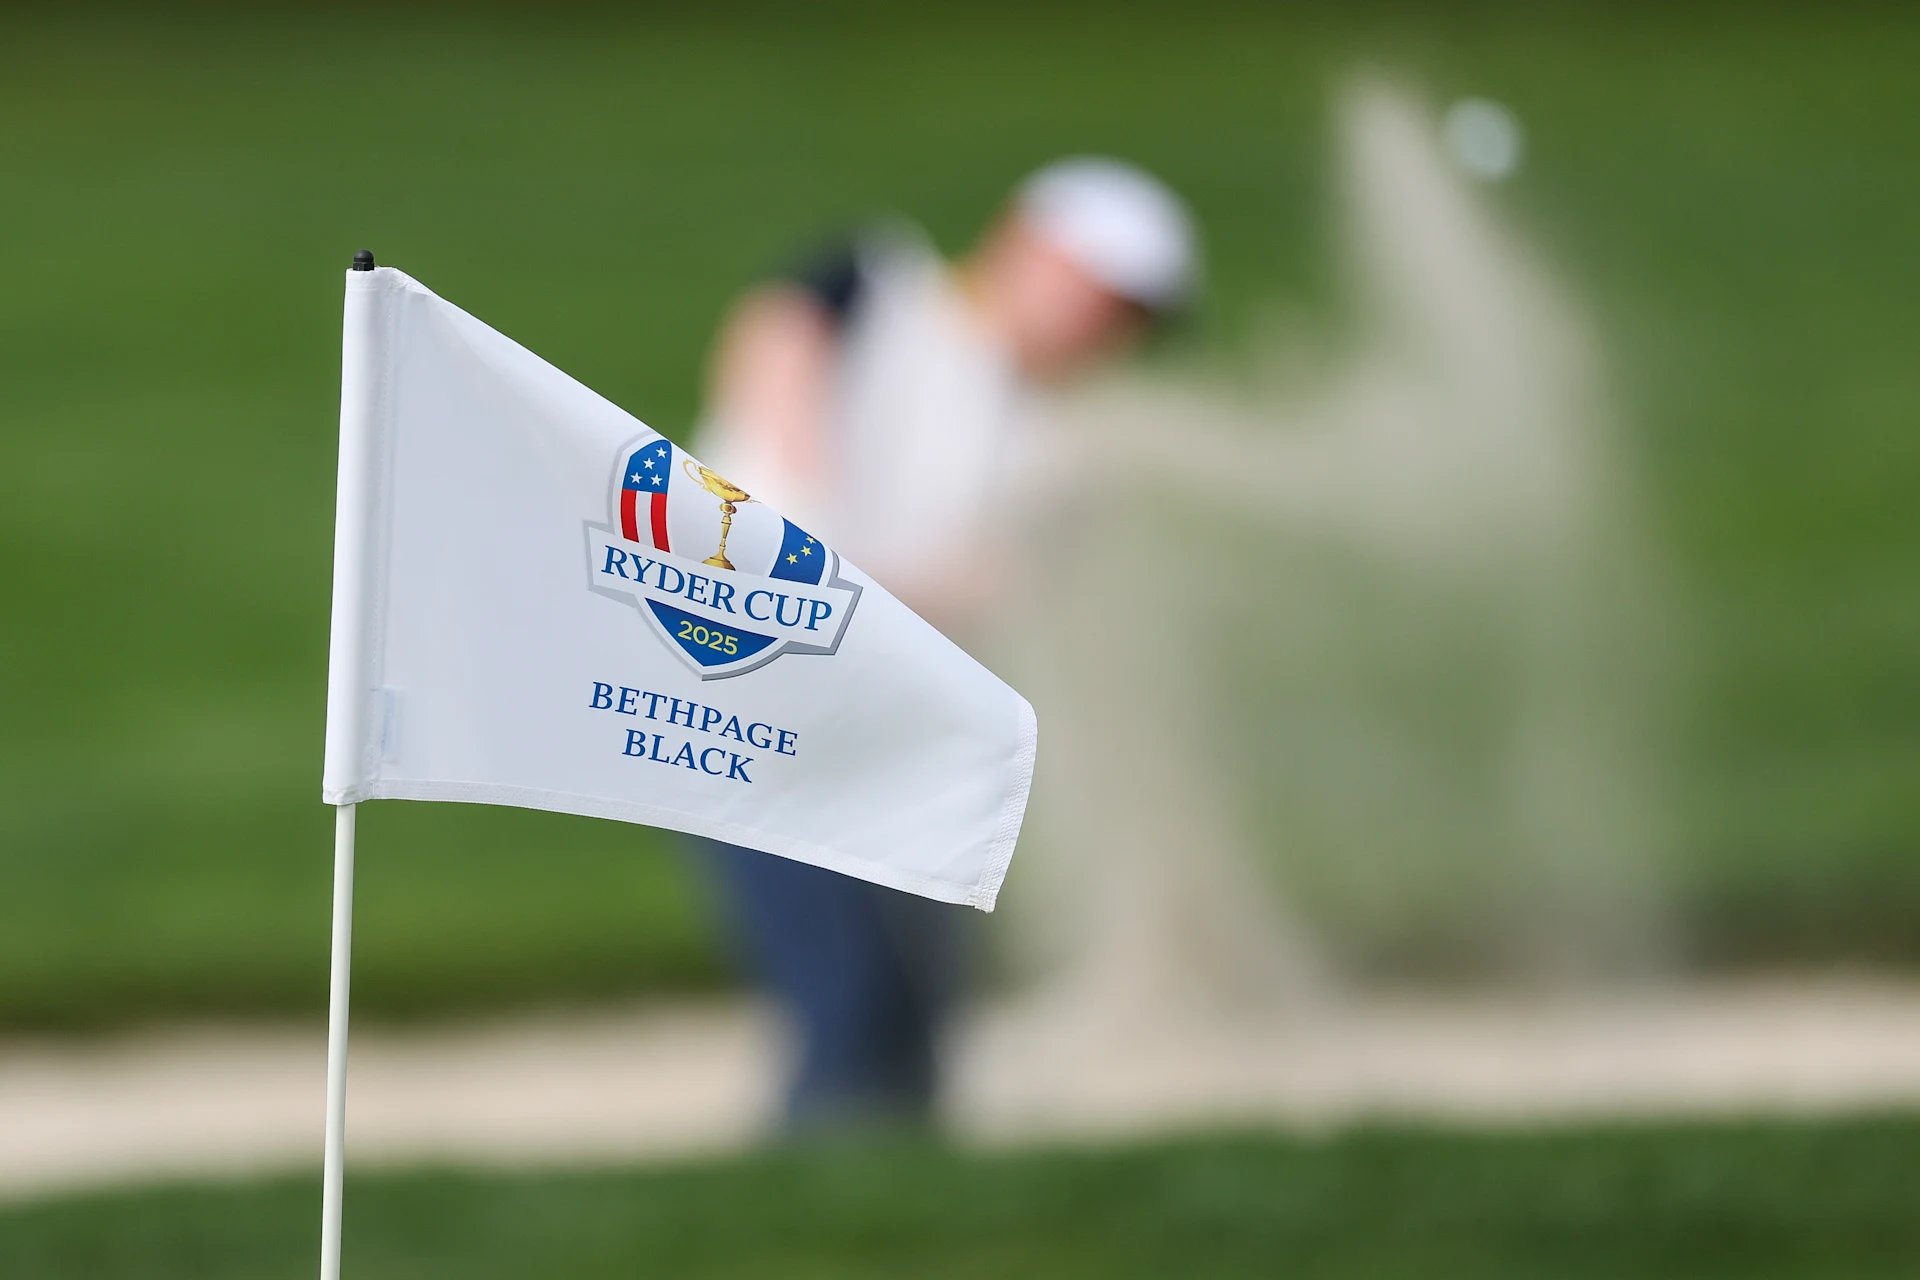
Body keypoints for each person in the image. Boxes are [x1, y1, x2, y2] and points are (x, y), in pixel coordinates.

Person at [693, 157, 1199, 1129]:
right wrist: (814, 530)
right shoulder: (883, 284)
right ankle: (823, 1166)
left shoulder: (1060, 453)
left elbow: (974, 593)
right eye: (1100, 293)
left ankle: (880, 1171)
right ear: (1027, 243)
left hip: (887, 729)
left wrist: (857, 584)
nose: (1106, 329)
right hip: (746, 689)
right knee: (846, 996)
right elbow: (777, 343)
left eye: (1131, 317)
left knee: (917, 1009)